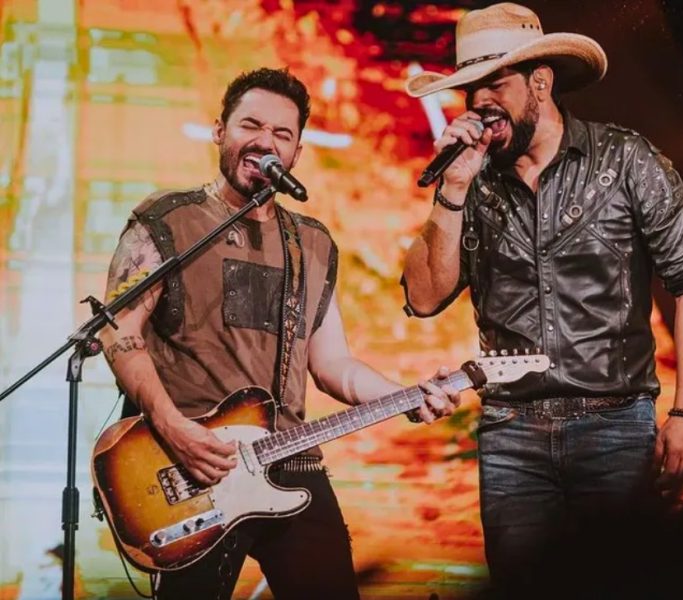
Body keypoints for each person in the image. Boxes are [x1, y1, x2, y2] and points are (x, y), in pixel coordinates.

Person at [98, 67, 460, 600]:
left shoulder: (312, 243)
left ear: (295, 154)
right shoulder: (167, 219)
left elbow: (334, 365)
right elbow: (118, 332)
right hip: (190, 462)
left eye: (282, 134)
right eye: (251, 125)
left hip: (290, 459)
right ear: (220, 130)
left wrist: (405, 396)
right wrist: (173, 427)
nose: (264, 141)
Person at [401, 3, 683, 597]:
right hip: (511, 432)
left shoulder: (625, 160)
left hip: (614, 425)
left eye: (494, 83)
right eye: (471, 88)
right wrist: (451, 191)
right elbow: (423, 299)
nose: (479, 102)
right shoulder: (473, 182)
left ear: (540, 82)